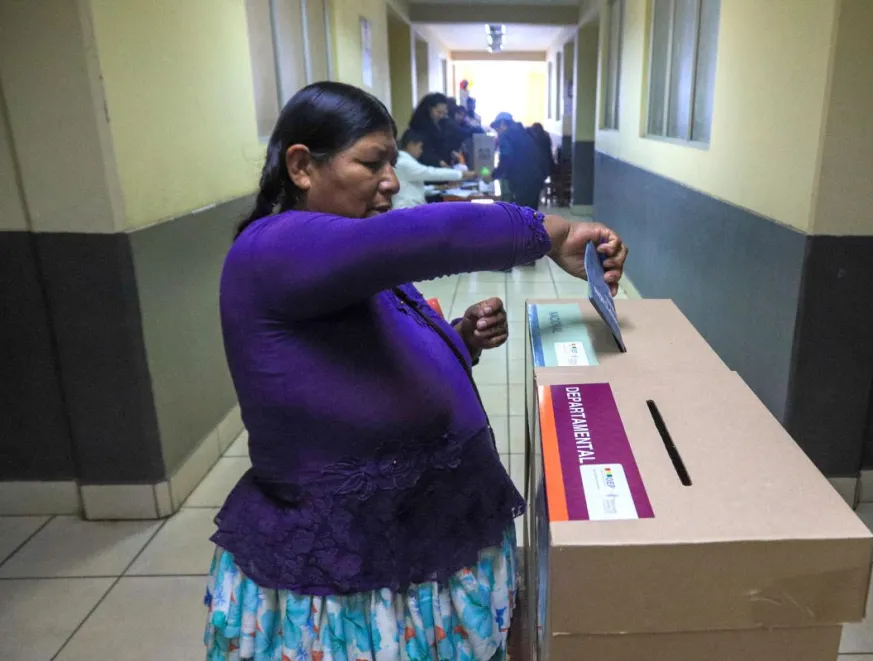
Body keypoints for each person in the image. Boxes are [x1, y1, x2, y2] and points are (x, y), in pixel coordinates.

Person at [203, 81, 627, 661]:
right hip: (355, 567)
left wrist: (456, 342)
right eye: (371, 162)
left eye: (391, 160)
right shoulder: (272, 247)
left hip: (422, 531)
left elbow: (357, 354)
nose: (392, 180)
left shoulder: (339, 255)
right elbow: (430, 235)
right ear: (302, 166)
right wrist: (550, 234)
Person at [394, 129, 475, 209]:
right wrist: (461, 174)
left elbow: (413, 187)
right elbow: (431, 173)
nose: (421, 151)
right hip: (406, 209)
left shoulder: (404, 161)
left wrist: (436, 187)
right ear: (411, 145)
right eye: (420, 147)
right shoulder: (404, 163)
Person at [490, 112, 546, 211]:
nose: (498, 133)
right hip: (536, 179)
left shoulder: (505, 135)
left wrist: (493, 175)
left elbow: (506, 159)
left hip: (522, 181)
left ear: (503, 123)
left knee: (520, 216)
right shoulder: (526, 133)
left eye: (497, 129)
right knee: (531, 214)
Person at [408, 92, 451, 167]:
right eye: (438, 112)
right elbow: (422, 150)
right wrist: (438, 161)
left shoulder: (442, 123)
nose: (441, 116)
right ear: (429, 109)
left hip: (442, 165)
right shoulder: (419, 125)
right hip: (427, 166)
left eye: (443, 113)